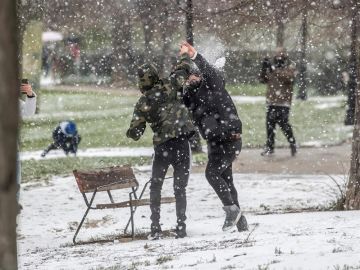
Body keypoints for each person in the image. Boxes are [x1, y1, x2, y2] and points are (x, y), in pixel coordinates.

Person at [179, 41, 248, 232]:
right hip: (215, 142)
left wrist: (194, 56)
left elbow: (208, 71)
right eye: (188, 76)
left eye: (193, 74)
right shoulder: (192, 96)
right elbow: (182, 97)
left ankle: (231, 212)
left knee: (211, 174)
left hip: (229, 139)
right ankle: (241, 223)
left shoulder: (214, 85)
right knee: (227, 181)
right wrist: (180, 75)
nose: (190, 78)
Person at [126, 58, 195, 240]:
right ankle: (181, 226)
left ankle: (155, 227)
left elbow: (136, 132)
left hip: (162, 147)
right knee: (180, 188)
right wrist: (184, 59)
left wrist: (133, 129)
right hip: (181, 143)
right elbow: (185, 70)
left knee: (156, 186)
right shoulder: (171, 84)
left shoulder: (142, 102)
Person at [259, 47, 297, 156]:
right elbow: (263, 79)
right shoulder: (273, 66)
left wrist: (275, 70)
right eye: (276, 53)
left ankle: (292, 143)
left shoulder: (290, 66)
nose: (278, 56)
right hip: (272, 101)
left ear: (285, 54)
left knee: (284, 124)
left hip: (284, 102)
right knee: (270, 125)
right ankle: (270, 147)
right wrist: (264, 67)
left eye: (280, 53)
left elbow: (289, 78)